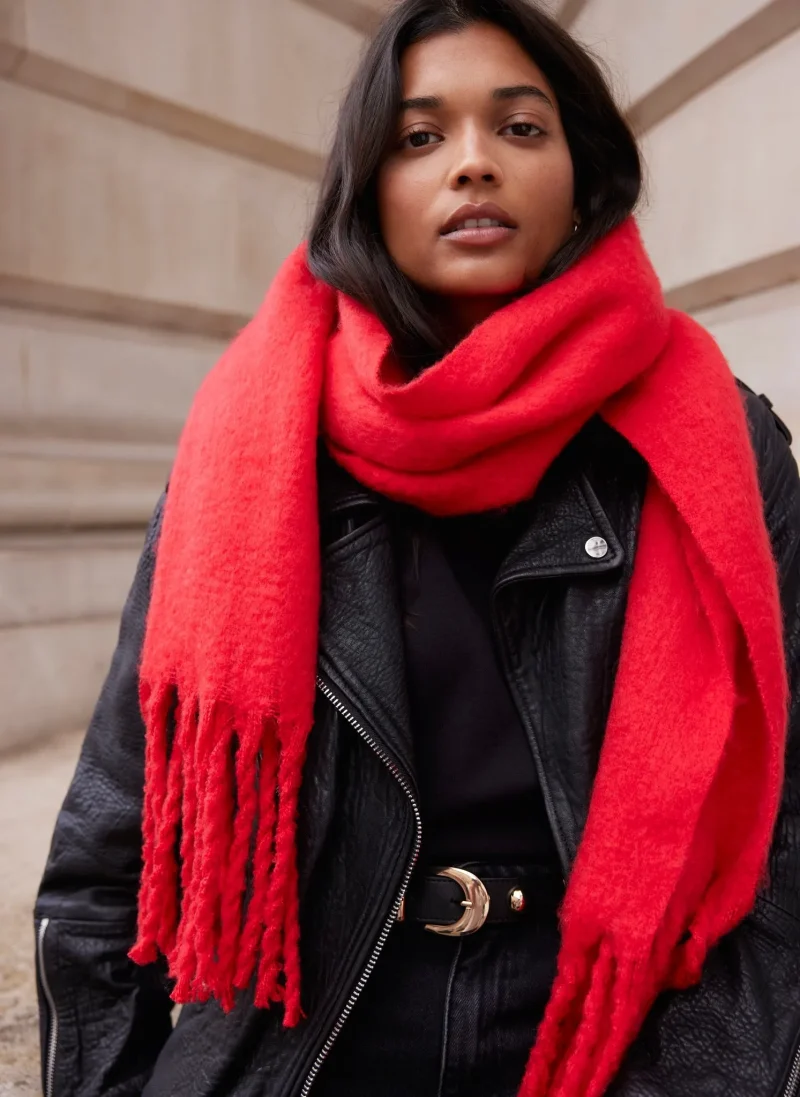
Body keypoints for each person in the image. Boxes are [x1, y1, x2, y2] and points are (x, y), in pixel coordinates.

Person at [34, 1, 800, 1095]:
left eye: (520, 129)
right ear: (366, 190)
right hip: (303, 1041)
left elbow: (780, 836)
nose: (473, 165)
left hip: (601, 1043)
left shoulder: (717, 442)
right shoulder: (253, 444)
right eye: (419, 136)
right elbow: (115, 847)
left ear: (585, 176)